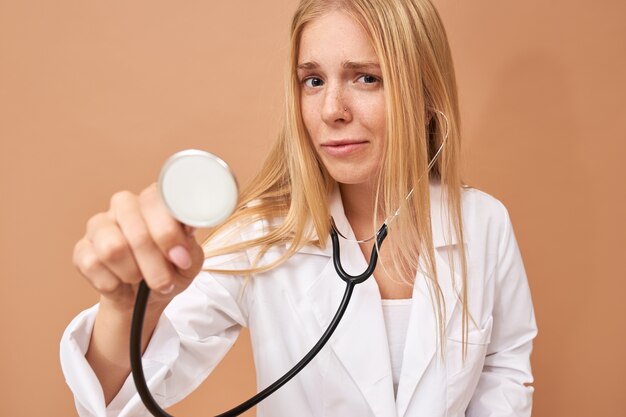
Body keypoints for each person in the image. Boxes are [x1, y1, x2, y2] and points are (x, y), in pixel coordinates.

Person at [60, 0, 537, 416]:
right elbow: (120, 399)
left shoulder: (484, 222)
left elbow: (505, 369)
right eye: (313, 81)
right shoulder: (264, 234)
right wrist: (125, 306)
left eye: (366, 78)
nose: (332, 109)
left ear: (427, 97)